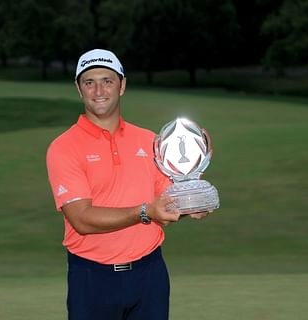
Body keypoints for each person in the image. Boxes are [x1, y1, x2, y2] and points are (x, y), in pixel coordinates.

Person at [46, 49, 210, 320]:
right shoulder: (63, 148)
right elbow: (81, 219)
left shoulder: (151, 141)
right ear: (78, 88)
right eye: (89, 82)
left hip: (150, 275)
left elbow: (165, 200)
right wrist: (145, 212)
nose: (99, 90)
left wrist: (192, 199)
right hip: (91, 278)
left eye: (108, 81)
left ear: (122, 85)